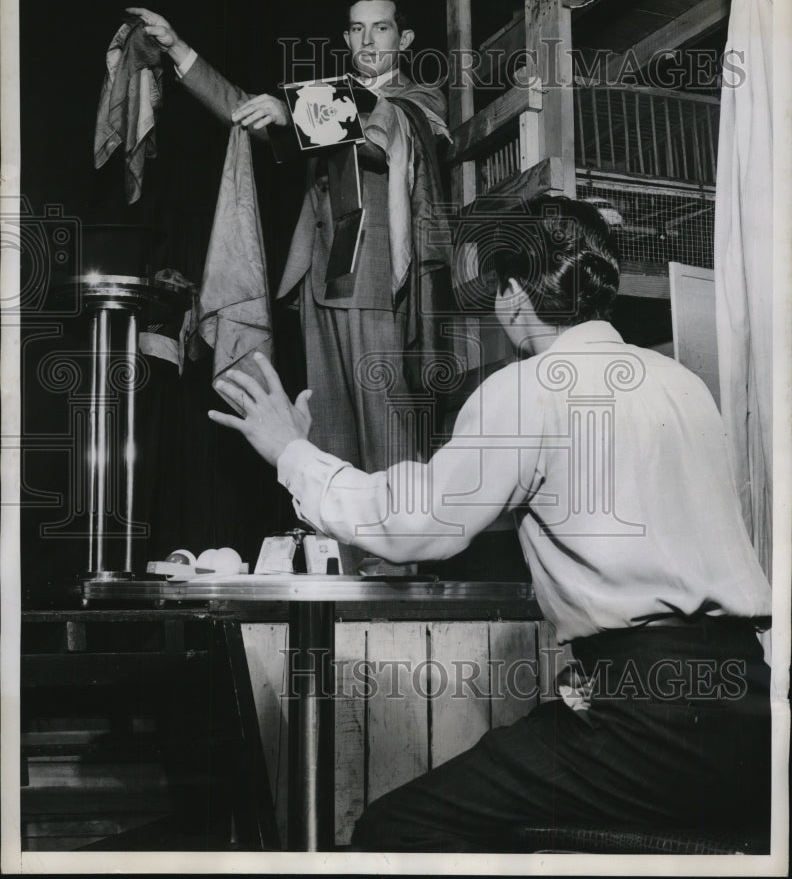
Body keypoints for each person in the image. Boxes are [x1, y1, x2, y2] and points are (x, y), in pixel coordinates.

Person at [207, 194, 772, 852]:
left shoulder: (530, 387)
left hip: (649, 725)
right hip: (748, 710)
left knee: (395, 831)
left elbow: (418, 524)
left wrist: (291, 453)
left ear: (510, 294)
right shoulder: (682, 384)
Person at [127, 0, 452, 483]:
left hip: (377, 283)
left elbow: (382, 127)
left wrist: (291, 112)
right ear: (346, 38)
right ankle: (345, 553)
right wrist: (178, 49)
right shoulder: (327, 99)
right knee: (329, 438)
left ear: (403, 40)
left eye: (380, 29)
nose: (367, 40)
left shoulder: (420, 98)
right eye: (356, 29)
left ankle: (399, 559)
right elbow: (247, 110)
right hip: (320, 279)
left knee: (388, 433)